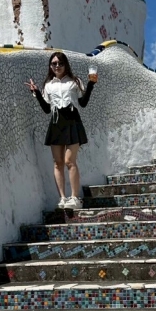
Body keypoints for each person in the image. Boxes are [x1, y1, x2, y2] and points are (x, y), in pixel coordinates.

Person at [27, 51, 96, 209]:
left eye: (60, 63)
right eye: (54, 63)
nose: (57, 66)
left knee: (69, 161)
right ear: (50, 66)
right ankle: (63, 198)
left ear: (66, 65)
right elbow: (46, 109)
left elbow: (83, 103)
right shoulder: (48, 85)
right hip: (56, 122)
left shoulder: (74, 81)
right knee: (58, 163)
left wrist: (91, 85)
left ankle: (75, 198)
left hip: (72, 121)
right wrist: (36, 93)